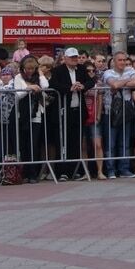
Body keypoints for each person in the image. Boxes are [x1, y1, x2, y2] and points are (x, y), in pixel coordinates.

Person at [49, 47, 96, 180]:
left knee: (76, 142)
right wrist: (69, 88)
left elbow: (91, 81)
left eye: (76, 57)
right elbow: (53, 84)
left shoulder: (81, 69)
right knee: (62, 142)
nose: (75, 59)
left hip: (78, 110)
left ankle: (74, 171)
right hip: (63, 111)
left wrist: (83, 86)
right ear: (65, 58)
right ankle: (61, 172)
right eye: (72, 57)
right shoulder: (58, 70)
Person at [102, 51, 135, 179]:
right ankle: (111, 170)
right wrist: (128, 80)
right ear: (114, 61)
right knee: (110, 142)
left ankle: (124, 169)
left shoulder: (130, 70)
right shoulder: (108, 72)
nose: (123, 62)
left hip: (126, 111)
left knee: (125, 142)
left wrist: (123, 82)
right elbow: (114, 84)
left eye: (124, 60)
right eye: (120, 60)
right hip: (110, 112)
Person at [14, 56, 48, 183]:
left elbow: (45, 85)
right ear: (23, 68)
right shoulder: (18, 77)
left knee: (33, 144)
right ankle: (25, 172)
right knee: (23, 145)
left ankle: (33, 173)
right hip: (22, 115)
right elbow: (19, 93)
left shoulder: (37, 76)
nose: (30, 71)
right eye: (27, 69)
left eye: (32, 69)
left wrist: (40, 73)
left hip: (35, 115)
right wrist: (29, 88)